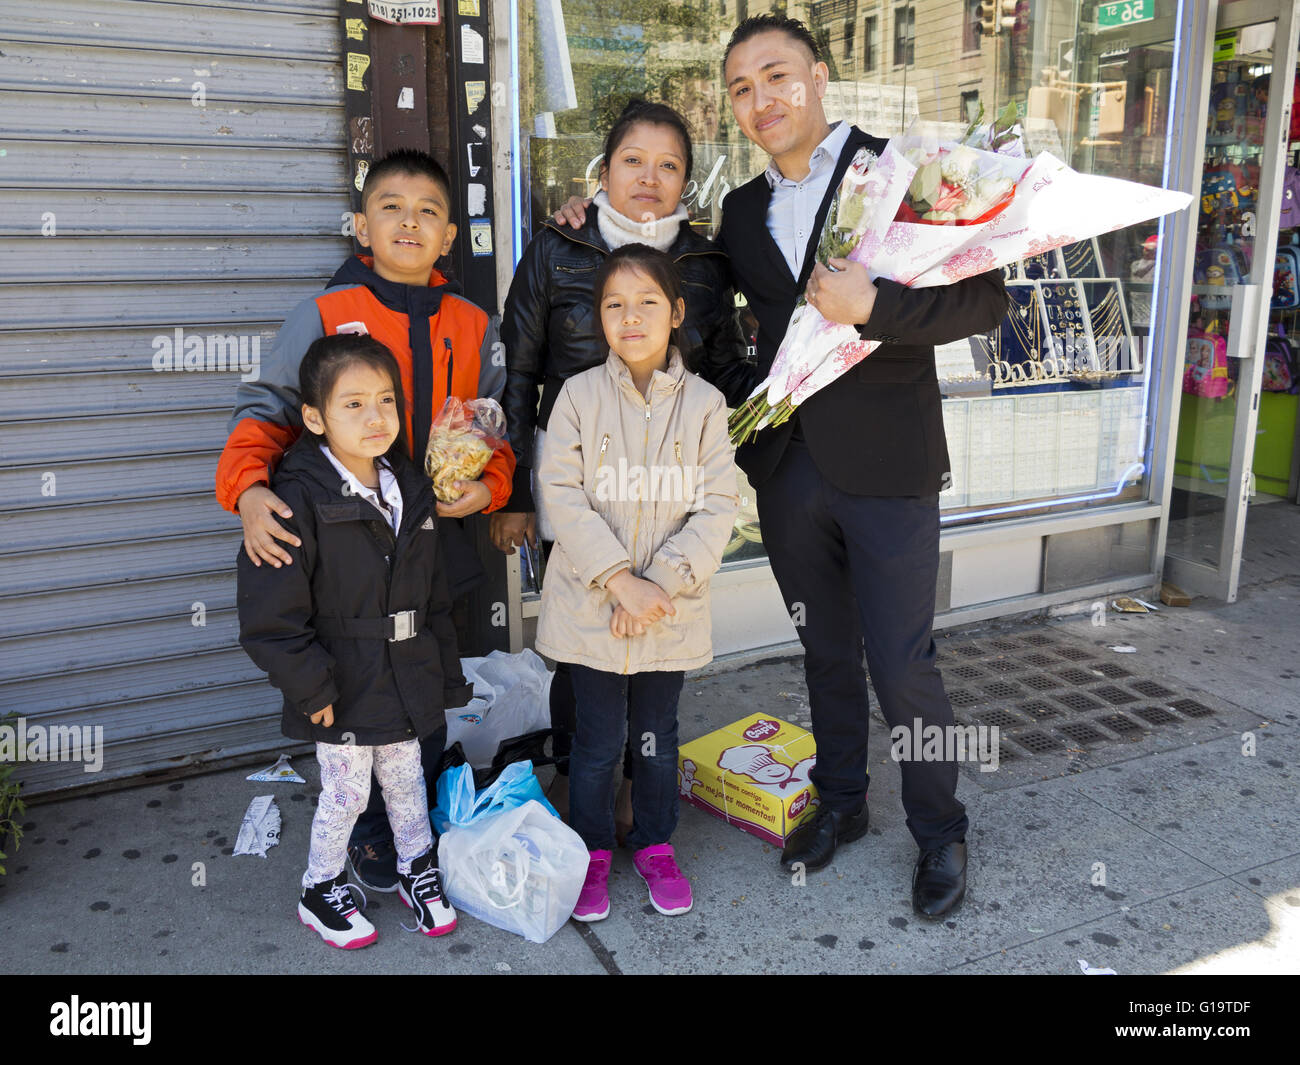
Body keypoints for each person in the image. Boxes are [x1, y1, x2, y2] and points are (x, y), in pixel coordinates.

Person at [554, 14, 1008, 919]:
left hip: (890, 467)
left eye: (776, 77)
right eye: (740, 88)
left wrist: (874, 304)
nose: (759, 100)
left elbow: (984, 298)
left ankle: (941, 829)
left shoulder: (899, 172)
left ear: (821, 77)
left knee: (903, 663)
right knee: (826, 653)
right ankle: (842, 801)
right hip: (792, 472)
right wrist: (584, 215)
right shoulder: (743, 212)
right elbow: (682, 284)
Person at [215, 149, 515, 894]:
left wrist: (492, 488)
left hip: (438, 540)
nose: (409, 222)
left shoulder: (475, 322)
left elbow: (498, 429)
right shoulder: (322, 315)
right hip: (349, 544)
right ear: (361, 224)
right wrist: (248, 491)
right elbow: (266, 410)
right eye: (391, 207)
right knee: (360, 676)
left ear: (450, 235)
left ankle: (427, 796)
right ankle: (372, 825)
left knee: (430, 671)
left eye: (427, 212)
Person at [493, 99, 751, 830]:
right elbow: (518, 373)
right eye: (633, 160)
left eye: (669, 165)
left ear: (685, 183)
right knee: (583, 637)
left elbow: (727, 366)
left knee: (655, 637)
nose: (649, 177)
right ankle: (584, 775)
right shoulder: (556, 246)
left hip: (667, 497)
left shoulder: (704, 264)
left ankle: (641, 777)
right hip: (576, 484)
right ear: (603, 171)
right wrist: (511, 491)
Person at [237, 334, 466, 948]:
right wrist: (312, 688)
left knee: (406, 777)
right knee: (345, 790)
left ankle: (418, 867)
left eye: (386, 401)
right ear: (314, 417)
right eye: (354, 405)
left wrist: (444, 674)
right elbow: (271, 619)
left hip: (406, 672)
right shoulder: (296, 497)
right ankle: (321, 885)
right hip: (340, 682)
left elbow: (434, 594)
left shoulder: (409, 486)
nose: (376, 418)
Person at [534, 244, 740, 921]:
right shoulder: (578, 397)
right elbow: (560, 493)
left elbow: (717, 506)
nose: (631, 316)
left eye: (648, 301)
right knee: (594, 744)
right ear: (599, 318)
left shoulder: (707, 406)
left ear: (676, 312)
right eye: (614, 304)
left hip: (668, 614)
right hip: (594, 610)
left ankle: (653, 842)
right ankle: (592, 849)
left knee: (656, 738)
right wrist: (621, 581)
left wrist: (659, 586)